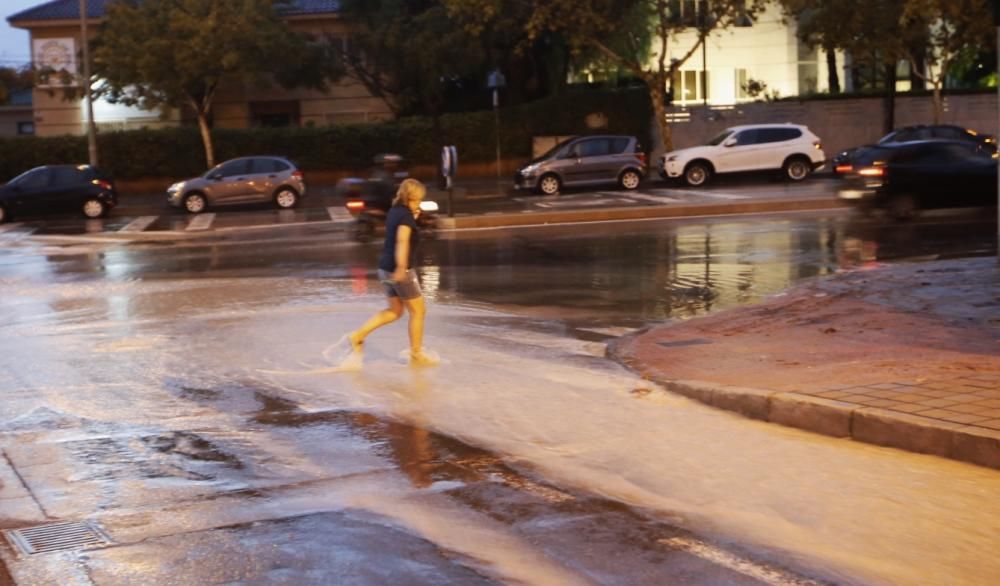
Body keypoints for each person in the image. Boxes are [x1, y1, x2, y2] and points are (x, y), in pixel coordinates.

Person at [348, 178, 437, 365]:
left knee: (395, 310)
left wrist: (413, 216)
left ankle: (358, 335)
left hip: (384, 268)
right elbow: (402, 241)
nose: (420, 202)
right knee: (418, 311)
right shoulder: (405, 216)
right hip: (398, 269)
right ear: (412, 197)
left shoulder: (395, 211)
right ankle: (416, 354)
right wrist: (401, 268)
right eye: (419, 199)